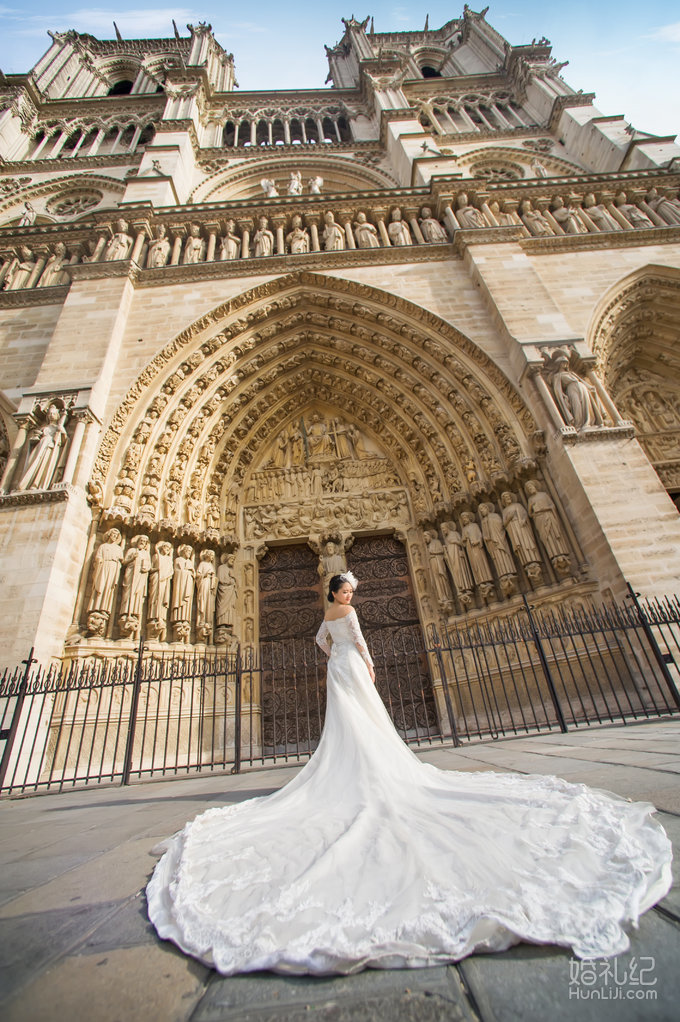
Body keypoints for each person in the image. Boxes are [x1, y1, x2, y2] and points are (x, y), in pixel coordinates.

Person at [147, 571, 672, 976]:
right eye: (348, 590)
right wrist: (369, 665)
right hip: (354, 667)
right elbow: (358, 643)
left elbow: (320, 643)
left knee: (347, 728)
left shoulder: (328, 615)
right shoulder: (348, 616)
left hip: (337, 669)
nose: (349, 595)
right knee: (368, 724)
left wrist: (339, 657)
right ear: (343, 592)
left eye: (348, 590)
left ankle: (352, 771)